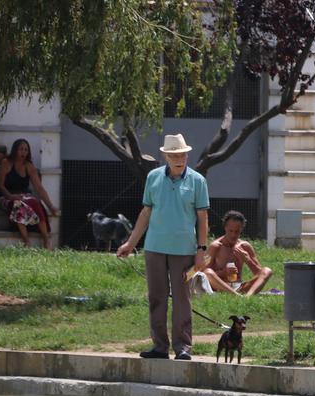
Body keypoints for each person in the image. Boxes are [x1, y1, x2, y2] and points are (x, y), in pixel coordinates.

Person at [116, 134, 210, 361]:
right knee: (156, 297)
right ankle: (159, 346)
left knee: (182, 299)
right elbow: (146, 212)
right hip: (155, 247)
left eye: (183, 154)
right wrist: (131, 242)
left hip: (185, 250)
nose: (180, 159)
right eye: (175, 155)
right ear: (165, 156)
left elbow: (203, 217)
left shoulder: (198, 181)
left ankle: (183, 347)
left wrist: (201, 250)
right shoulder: (153, 178)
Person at [0, 138, 59, 249]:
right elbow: (0, 185)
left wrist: (51, 206)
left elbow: (39, 188)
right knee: (18, 204)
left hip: (24, 196)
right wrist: (11, 196)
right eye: (21, 149)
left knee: (34, 202)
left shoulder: (29, 166)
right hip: (7, 196)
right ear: (15, 150)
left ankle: (46, 239)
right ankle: (26, 240)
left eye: (26, 150)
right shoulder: (6, 163)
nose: (23, 152)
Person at [202, 210, 272, 297]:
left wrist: (248, 260)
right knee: (208, 272)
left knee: (267, 270)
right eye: (230, 231)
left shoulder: (245, 246)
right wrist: (223, 273)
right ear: (225, 228)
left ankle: (247, 297)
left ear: (242, 229)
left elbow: (259, 274)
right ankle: (236, 296)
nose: (233, 235)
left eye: (237, 231)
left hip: (239, 286)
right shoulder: (215, 246)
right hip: (220, 286)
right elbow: (203, 274)